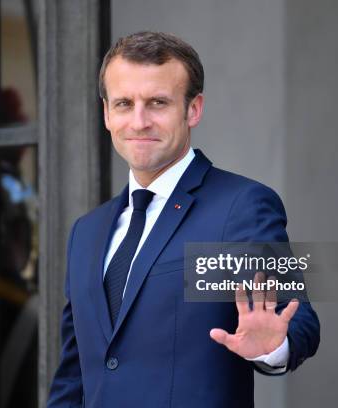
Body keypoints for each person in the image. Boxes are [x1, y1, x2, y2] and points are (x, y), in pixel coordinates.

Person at [47, 31, 320, 408]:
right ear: (107, 113)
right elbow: (73, 377)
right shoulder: (86, 232)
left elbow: (298, 318)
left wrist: (274, 346)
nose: (139, 121)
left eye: (158, 102)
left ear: (193, 109)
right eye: (124, 103)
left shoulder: (241, 207)